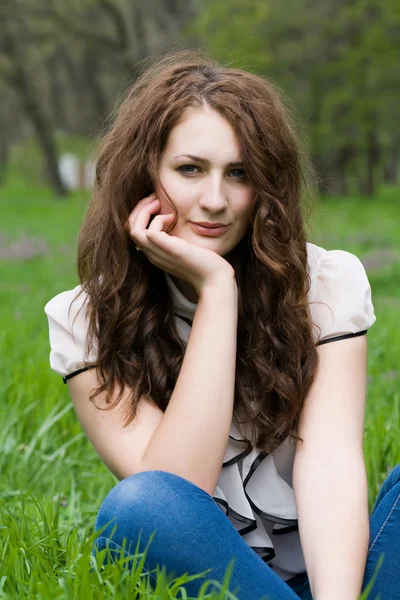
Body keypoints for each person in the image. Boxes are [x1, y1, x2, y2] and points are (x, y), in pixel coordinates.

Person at [44, 49, 399, 600]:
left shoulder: (326, 285)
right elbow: (174, 498)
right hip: (213, 579)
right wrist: (216, 291)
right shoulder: (83, 321)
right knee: (136, 507)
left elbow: (328, 462)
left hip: (339, 577)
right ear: (144, 174)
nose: (215, 201)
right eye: (190, 169)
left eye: (239, 174)